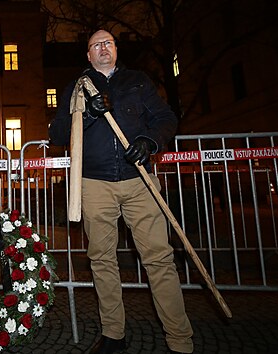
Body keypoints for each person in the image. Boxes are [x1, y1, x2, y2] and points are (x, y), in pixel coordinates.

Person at [48, 30, 194, 354]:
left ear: (115, 49)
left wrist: (149, 141)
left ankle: (180, 340)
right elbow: (57, 132)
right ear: (88, 54)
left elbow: (166, 117)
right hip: (95, 184)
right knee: (102, 260)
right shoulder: (76, 88)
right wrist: (84, 113)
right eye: (96, 44)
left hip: (139, 182)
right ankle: (114, 335)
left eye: (108, 43)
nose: (103, 48)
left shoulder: (138, 81)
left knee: (159, 258)